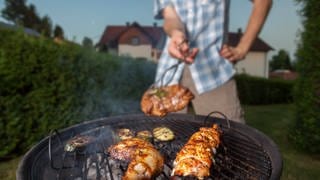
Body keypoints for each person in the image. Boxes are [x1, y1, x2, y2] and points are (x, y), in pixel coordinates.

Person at [153, 0, 272, 123]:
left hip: (213, 71)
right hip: (170, 69)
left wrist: (242, 48)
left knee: (230, 137)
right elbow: (170, 16)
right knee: (162, 135)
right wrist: (176, 33)